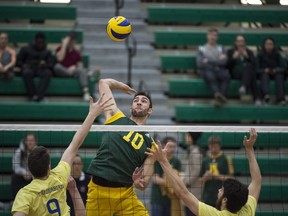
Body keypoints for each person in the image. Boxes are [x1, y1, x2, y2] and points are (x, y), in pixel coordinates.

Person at [11, 94, 113, 216]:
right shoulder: (59, 176)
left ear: (30, 169)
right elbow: (76, 143)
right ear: (49, 167)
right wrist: (92, 114)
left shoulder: (25, 194)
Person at [146, 128, 262, 216]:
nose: (219, 190)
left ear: (225, 200)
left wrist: (163, 161)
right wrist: (250, 149)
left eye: (222, 190)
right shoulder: (247, 210)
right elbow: (257, 181)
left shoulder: (214, 214)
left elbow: (183, 192)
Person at [86, 78, 156, 216]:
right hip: (100, 191)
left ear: (150, 111)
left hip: (125, 194)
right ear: (131, 107)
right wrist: (121, 86)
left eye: (144, 101)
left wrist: (138, 182)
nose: (139, 102)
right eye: (136, 100)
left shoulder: (151, 145)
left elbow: (143, 184)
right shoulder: (116, 118)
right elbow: (103, 83)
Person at [196, 28, 230, 107]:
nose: (212, 37)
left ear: (217, 37)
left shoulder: (221, 48)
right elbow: (200, 64)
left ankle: (220, 97)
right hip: (207, 70)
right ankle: (217, 94)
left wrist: (208, 61)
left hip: (219, 70)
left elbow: (224, 62)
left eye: (214, 35)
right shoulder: (201, 48)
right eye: (211, 35)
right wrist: (217, 61)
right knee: (210, 75)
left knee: (226, 76)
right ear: (207, 36)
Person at [17, 32, 54, 102]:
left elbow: (51, 64)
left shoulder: (47, 51)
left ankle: (39, 96)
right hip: (29, 67)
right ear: (35, 41)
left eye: (42, 42)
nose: (40, 44)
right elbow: (19, 61)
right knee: (26, 73)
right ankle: (32, 95)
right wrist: (24, 65)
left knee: (48, 73)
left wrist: (45, 64)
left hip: (41, 68)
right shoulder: (26, 49)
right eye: (38, 42)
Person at [151, 136, 183, 216]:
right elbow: (155, 179)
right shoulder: (158, 160)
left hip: (172, 199)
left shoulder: (177, 161)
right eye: (170, 146)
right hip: (158, 199)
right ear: (163, 146)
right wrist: (172, 183)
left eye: (174, 147)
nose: (172, 149)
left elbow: (181, 177)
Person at [199, 135, 234, 207]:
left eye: (215, 146)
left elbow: (231, 178)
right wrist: (205, 177)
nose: (213, 149)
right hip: (207, 197)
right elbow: (200, 180)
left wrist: (215, 175)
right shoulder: (205, 159)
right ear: (209, 146)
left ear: (219, 146)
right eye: (211, 146)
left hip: (222, 197)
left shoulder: (226, 159)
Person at [54, 32, 90, 101]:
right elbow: (59, 59)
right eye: (70, 40)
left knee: (83, 70)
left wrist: (74, 68)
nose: (71, 42)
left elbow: (80, 67)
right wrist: (64, 45)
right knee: (57, 66)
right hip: (62, 71)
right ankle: (70, 73)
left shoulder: (76, 53)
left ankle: (86, 91)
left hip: (73, 72)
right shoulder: (60, 49)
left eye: (73, 40)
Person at [226, 35, 261, 105]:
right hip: (235, 73)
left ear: (245, 43)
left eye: (242, 41)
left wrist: (247, 57)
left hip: (247, 74)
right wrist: (233, 58)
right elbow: (227, 66)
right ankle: (257, 98)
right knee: (250, 72)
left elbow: (254, 65)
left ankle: (244, 87)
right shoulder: (230, 51)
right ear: (235, 43)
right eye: (238, 41)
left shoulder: (249, 52)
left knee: (250, 70)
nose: (240, 43)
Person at [256, 37, 286, 105]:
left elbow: (283, 68)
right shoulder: (260, 55)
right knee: (264, 75)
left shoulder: (277, 54)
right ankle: (266, 96)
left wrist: (276, 70)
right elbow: (256, 69)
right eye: (267, 44)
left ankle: (280, 99)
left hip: (276, 73)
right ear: (264, 45)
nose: (269, 46)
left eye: (271, 44)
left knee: (279, 76)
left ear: (273, 45)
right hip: (264, 73)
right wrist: (264, 70)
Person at [11, 133, 38, 199]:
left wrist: (31, 173)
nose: (30, 143)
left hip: (33, 176)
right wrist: (24, 172)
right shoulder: (19, 152)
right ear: (25, 141)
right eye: (28, 140)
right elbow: (15, 167)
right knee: (15, 177)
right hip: (22, 177)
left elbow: (40, 166)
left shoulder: (38, 152)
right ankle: (16, 200)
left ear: (35, 142)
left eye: (32, 140)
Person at [182, 132, 202, 216]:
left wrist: (187, 182)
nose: (185, 137)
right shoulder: (191, 150)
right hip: (189, 189)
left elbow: (196, 171)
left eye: (187, 135)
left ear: (191, 137)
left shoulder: (195, 152)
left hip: (193, 190)